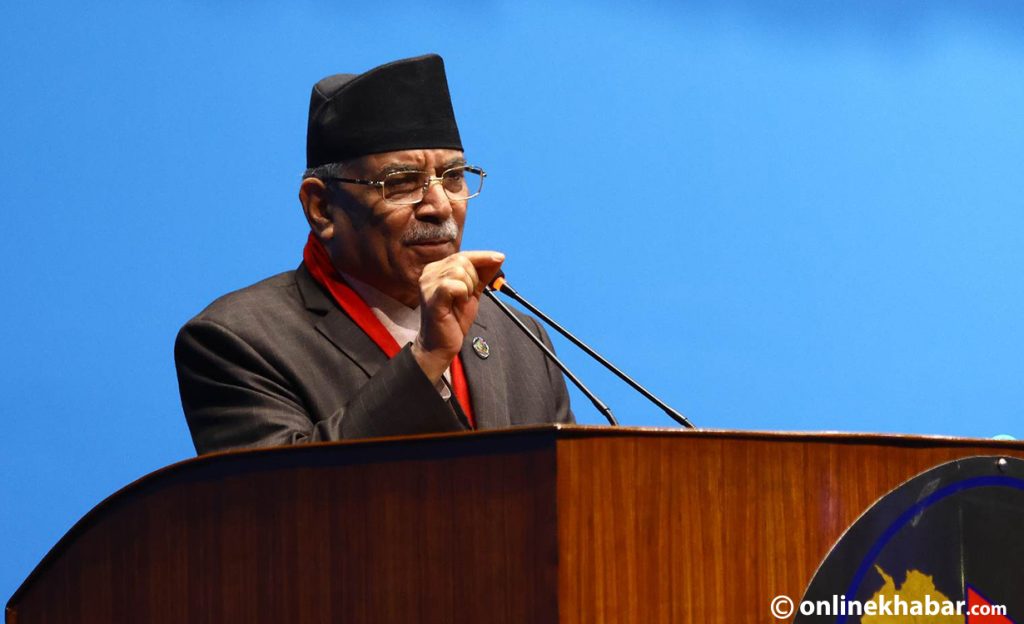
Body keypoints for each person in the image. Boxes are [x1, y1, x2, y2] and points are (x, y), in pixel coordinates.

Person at [175, 54, 573, 455]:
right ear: (322, 208)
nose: (439, 206)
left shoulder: (520, 338)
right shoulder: (237, 341)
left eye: (452, 178)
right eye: (401, 183)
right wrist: (426, 358)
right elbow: (285, 500)